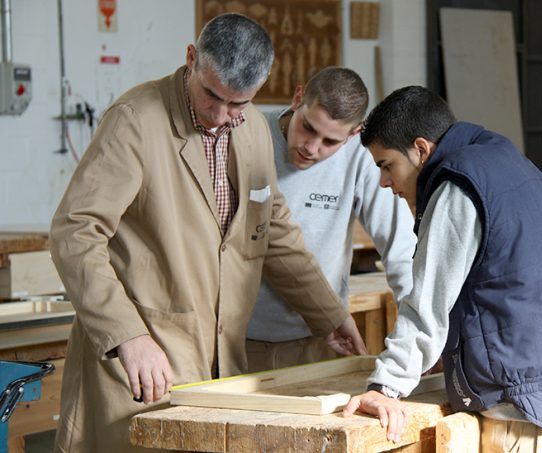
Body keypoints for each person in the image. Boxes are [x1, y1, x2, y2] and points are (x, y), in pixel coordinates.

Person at [49, 14, 364, 453]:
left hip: (221, 366)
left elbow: (272, 230)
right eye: (211, 95)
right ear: (192, 59)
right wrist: (126, 335)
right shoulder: (135, 120)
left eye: (238, 104)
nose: (220, 116)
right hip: (140, 361)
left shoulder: (252, 130)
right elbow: (75, 232)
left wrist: (329, 315)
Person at [342, 86, 542, 450]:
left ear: (421, 149)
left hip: (533, 412)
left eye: (387, 166)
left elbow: (427, 303)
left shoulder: (458, 184)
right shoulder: (510, 163)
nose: (385, 183)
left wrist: (385, 387)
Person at [246, 67, 415, 372]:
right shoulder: (250, 134)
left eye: (330, 142)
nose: (311, 148)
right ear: (298, 98)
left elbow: (400, 248)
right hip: (239, 337)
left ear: (354, 133)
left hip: (321, 337)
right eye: (308, 128)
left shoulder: (362, 157)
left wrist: (417, 335)